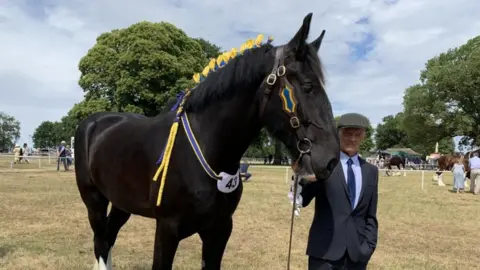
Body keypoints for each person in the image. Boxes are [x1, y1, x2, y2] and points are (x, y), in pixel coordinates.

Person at [289, 113, 379, 270]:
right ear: (337, 134)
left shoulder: (371, 171)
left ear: (363, 136)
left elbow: (370, 215)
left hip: (357, 255)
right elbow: (302, 198)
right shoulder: (323, 164)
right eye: (347, 133)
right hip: (324, 253)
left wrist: (368, 247)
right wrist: (302, 176)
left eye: (357, 134)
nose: (352, 138)